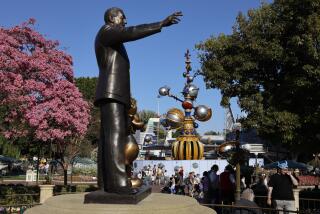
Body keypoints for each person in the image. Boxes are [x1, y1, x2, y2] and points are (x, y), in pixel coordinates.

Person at [94, 7, 182, 194]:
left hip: (115, 94)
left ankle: (105, 183)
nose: (125, 20)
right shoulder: (107, 31)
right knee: (115, 137)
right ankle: (117, 184)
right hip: (111, 94)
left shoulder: (112, 39)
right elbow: (131, 32)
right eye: (122, 17)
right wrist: (160, 24)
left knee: (109, 138)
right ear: (112, 18)